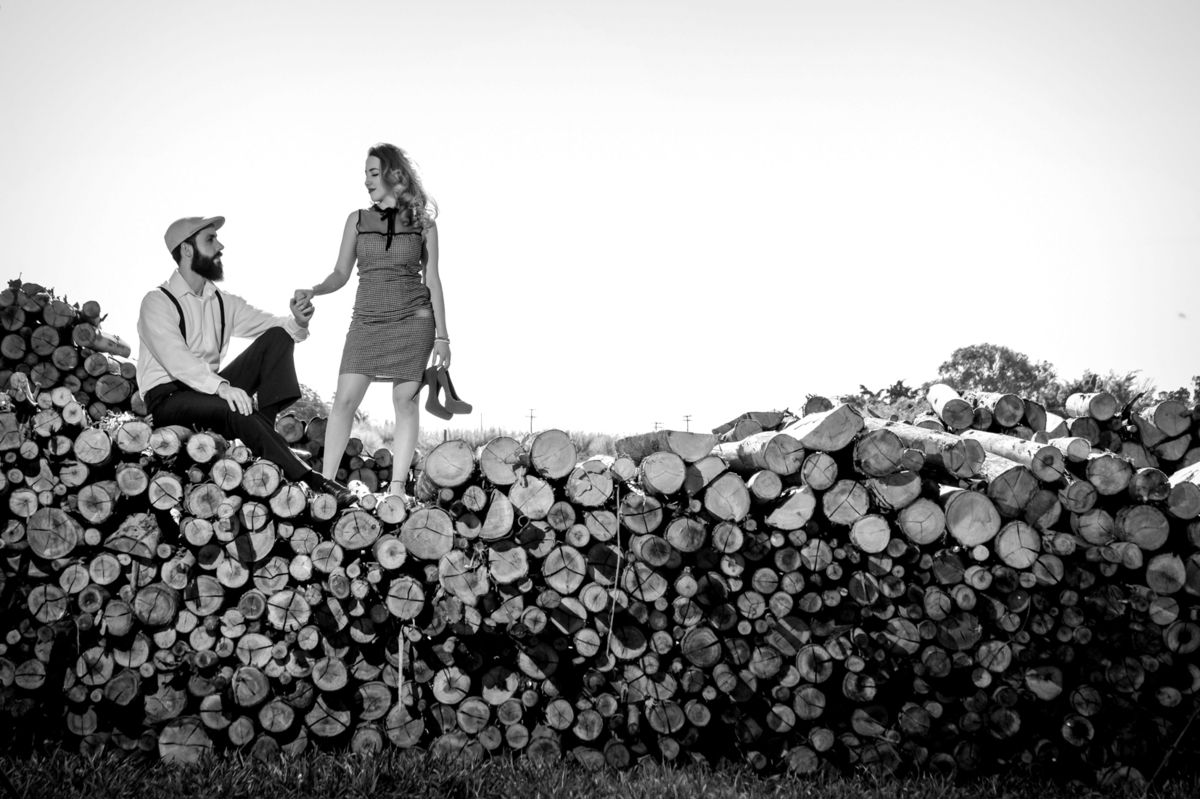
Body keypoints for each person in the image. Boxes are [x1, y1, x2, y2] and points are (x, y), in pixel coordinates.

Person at [137, 215, 357, 508]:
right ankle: (314, 481)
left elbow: (276, 326)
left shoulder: (223, 301)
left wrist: (298, 321)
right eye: (211, 240)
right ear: (187, 250)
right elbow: (177, 360)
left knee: (278, 337)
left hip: (209, 393)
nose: (221, 246)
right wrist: (224, 388)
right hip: (169, 400)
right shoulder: (157, 301)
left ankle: (265, 449)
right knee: (232, 407)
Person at [296, 143, 451, 502]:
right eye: (365, 173)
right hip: (366, 321)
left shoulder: (423, 224)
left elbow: (433, 280)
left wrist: (443, 337)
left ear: (395, 175)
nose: (366, 181)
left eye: (373, 173)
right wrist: (315, 290)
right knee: (344, 402)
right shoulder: (356, 220)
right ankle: (326, 483)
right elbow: (340, 273)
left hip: (414, 320)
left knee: (405, 403)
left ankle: (397, 489)